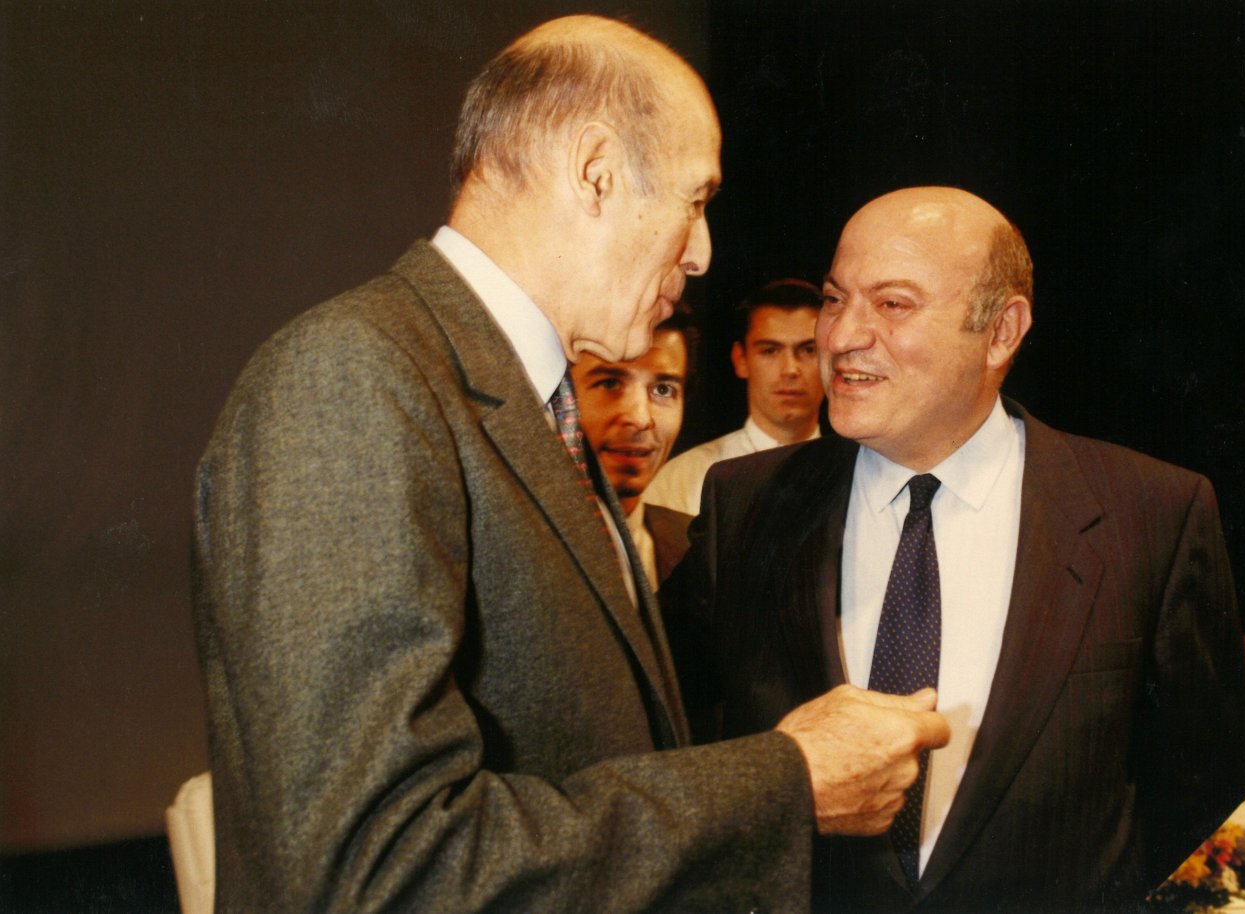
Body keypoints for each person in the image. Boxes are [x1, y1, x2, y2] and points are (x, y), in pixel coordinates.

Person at [191, 17, 948, 913]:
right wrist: (788, 785)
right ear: (595, 171)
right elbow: (376, 871)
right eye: (695, 199)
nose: (702, 251)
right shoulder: (350, 377)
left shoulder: (528, 406)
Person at [663, 186, 1245, 911]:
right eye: (834, 299)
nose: (841, 336)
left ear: (1002, 331)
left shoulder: (1149, 514)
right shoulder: (746, 503)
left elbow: (1212, 767)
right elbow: (659, 729)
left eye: (892, 304)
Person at [645, 278, 823, 515]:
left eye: (809, 350)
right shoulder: (682, 480)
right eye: (769, 350)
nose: (790, 369)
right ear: (741, 360)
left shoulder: (857, 471)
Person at [571, 307, 697, 589]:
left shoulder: (700, 549)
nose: (641, 419)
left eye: (663, 390)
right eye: (610, 383)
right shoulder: (514, 546)